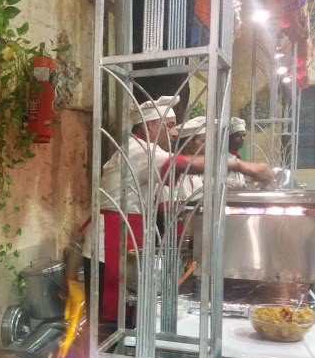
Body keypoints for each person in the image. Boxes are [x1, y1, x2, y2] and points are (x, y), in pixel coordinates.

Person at [82, 96, 275, 321]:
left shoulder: (143, 149)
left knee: (127, 314)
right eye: (170, 126)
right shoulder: (138, 150)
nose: (174, 133)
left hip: (129, 237)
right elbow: (182, 165)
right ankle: (104, 344)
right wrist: (240, 165)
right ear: (149, 126)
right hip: (110, 242)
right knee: (110, 317)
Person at [227, 116, 248, 189]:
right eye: (238, 136)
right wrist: (239, 185)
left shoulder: (236, 158)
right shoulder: (222, 159)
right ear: (229, 138)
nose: (242, 139)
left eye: (244, 135)